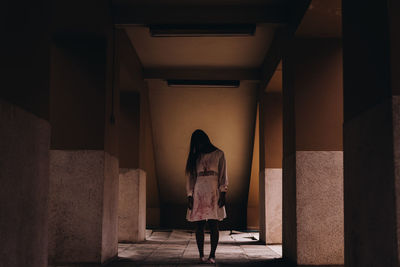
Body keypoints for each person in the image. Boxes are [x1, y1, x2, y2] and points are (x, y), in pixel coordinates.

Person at [185, 129, 228, 264]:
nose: (198, 146)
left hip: (213, 193)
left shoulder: (219, 154)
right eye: (195, 144)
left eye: (199, 143)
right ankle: (201, 255)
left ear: (205, 140)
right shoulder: (195, 157)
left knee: (214, 224)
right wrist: (190, 195)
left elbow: (223, 175)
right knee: (199, 225)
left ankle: (212, 255)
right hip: (198, 193)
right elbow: (191, 178)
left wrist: (223, 193)